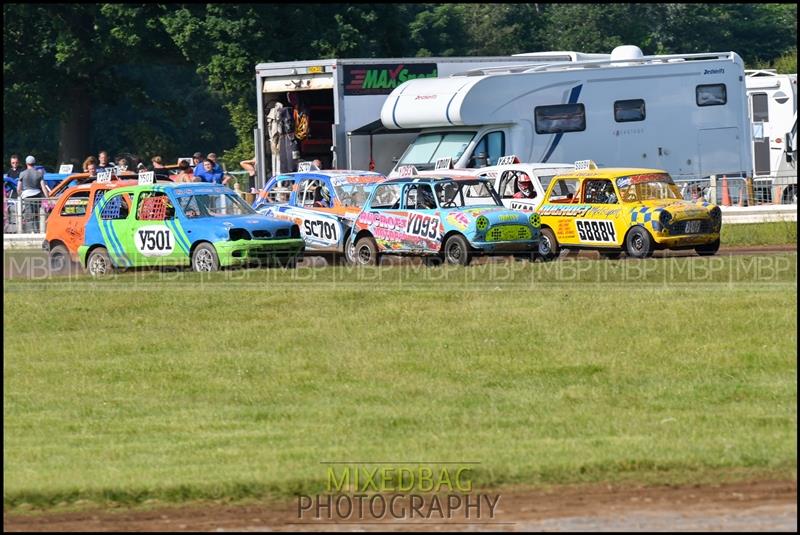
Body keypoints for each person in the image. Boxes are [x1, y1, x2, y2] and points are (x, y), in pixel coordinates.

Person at [17, 155, 49, 232]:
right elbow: (43, 187)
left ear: (26, 163)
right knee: (37, 214)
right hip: (37, 195)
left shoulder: (22, 173)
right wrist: (48, 198)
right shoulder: (39, 174)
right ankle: (38, 230)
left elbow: (18, 188)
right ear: (34, 163)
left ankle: (31, 231)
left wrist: (19, 195)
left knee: (29, 214)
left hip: (27, 196)